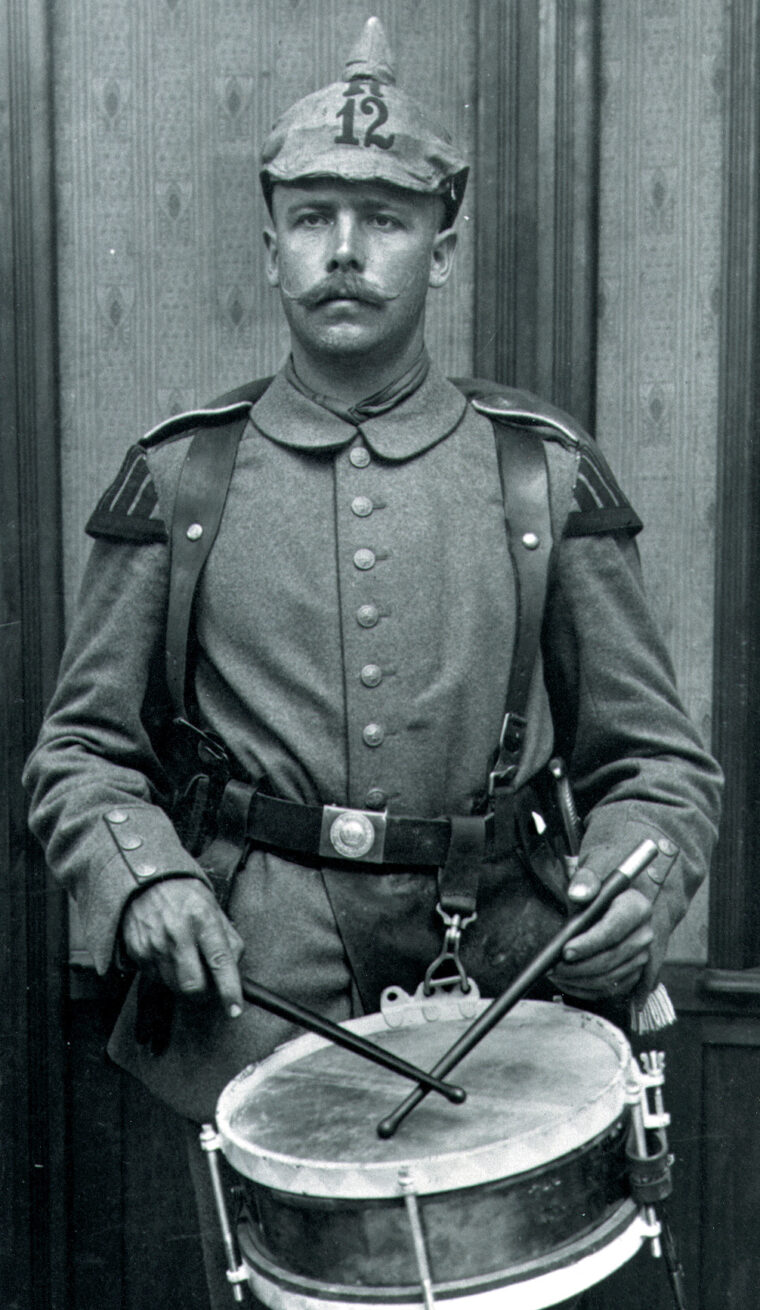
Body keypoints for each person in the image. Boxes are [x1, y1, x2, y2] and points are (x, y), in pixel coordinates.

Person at [24, 17, 721, 1309]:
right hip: (250, 1007)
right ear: (269, 240)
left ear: (443, 245)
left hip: (506, 1009)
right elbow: (81, 752)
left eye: (386, 218)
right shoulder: (184, 477)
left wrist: (644, 871)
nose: (344, 250)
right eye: (313, 215)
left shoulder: (540, 477)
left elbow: (656, 764)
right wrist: (143, 880)